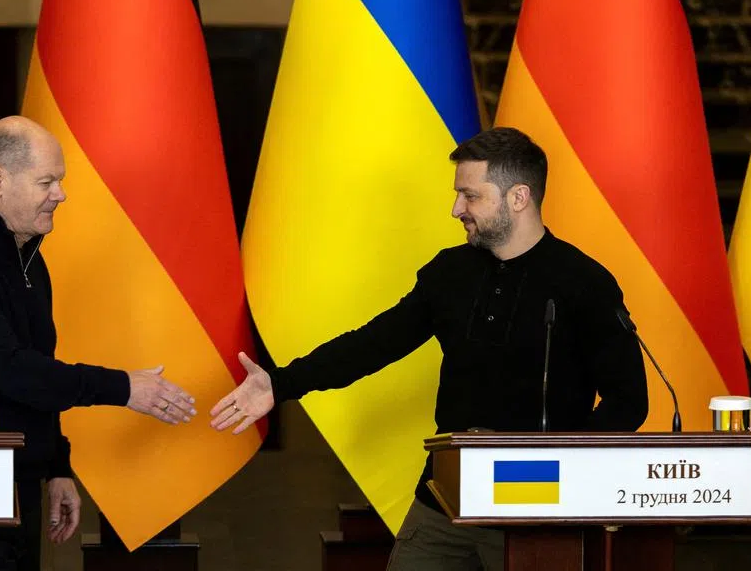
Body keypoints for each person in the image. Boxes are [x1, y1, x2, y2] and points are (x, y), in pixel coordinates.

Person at [210, 127, 648, 571]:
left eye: (470, 196)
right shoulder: (449, 273)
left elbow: (628, 402)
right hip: (443, 503)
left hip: (538, 519)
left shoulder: (585, 282)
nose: (456, 209)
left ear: (518, 198)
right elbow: (372, 344)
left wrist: (560, 472)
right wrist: (281, 383)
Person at [0, 116, 197, 571]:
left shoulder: (29, 261)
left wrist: (57, 466)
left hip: (17, 483)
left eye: (59, 181)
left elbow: (40, 368)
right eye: (48, 181)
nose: (61, 194)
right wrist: (124, 388)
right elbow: (12, 369)